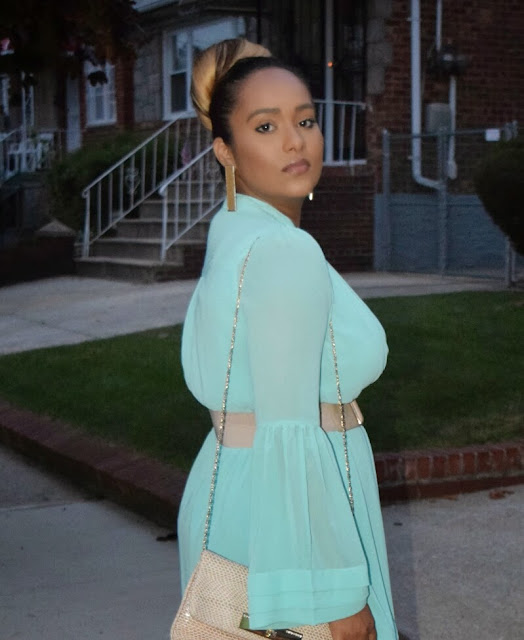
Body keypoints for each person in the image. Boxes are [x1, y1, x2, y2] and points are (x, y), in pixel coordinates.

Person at [178, 38, 398, 640]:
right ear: (225, 150)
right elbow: (287, 432)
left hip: (240, 486)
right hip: (291, 522)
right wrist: (334, 597)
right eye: (266, 126)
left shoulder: (233, 228)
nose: (295, 141)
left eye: (305, 120)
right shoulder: (281, 248)